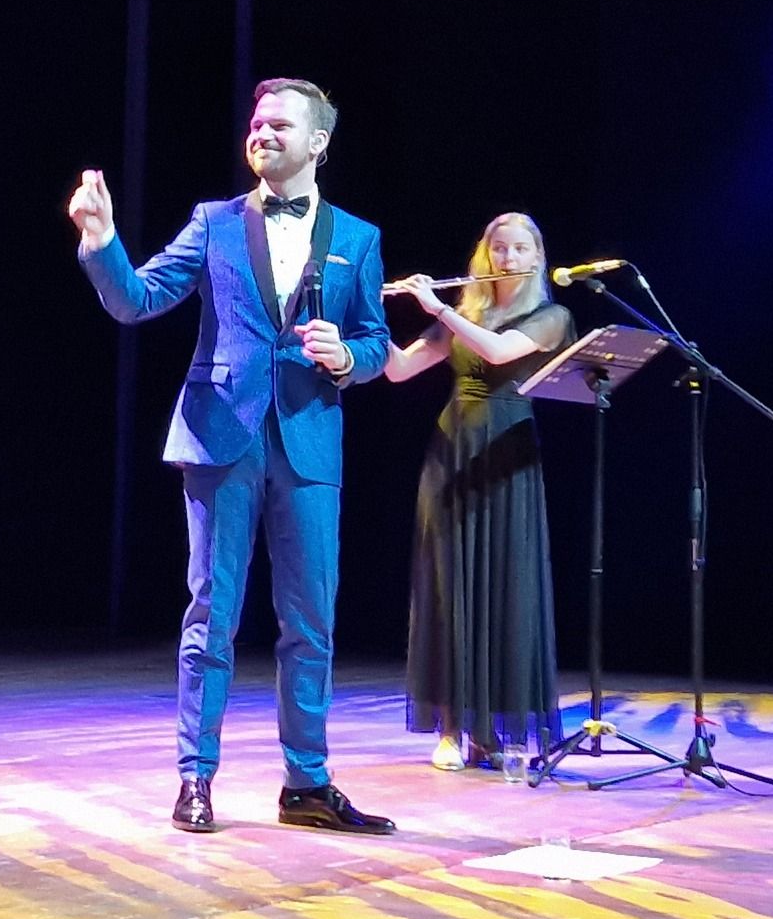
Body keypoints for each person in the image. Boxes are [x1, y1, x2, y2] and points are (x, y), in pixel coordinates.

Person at [70, 78, 395, 835]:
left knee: (310, 621)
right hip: (222, 435)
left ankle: (306, 784)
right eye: (256, 122)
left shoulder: (358, 238)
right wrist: (102, 243)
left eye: (280, 124)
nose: (263, 133)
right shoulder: (213, 222)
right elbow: (137, 300)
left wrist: (350, 356)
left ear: (318, 143)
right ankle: (196, 777)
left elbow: (377, 340)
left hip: (309, 442)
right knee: (212, 615)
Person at [382, 212, 570, 770]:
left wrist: (437, 308)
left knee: (506, 588)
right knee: (449, 590)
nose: (507, 258)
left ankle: (498, 731)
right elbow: (399, 370)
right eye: (498, 248)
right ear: (484, 255)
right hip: (452, 455)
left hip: (508, 457)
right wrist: (364, 319)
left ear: (536, 258)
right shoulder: (465, 315)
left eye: (519, 249)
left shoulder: (551, 316)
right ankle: (450, 730)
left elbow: (498, 352)